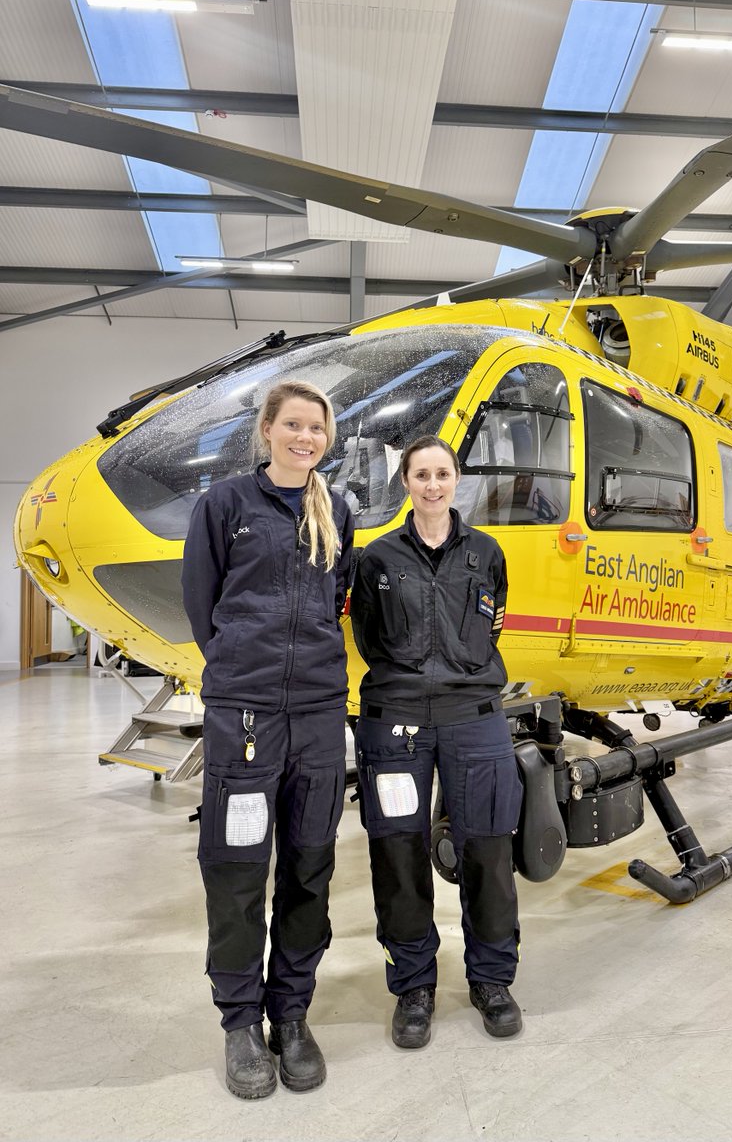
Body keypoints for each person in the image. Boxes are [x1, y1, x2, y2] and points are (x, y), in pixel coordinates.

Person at [182, 381, 354, 1100]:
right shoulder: (224, 506)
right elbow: (202, 601)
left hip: (317, 712)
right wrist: (239, 670)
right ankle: (239, 1023)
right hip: (245, 716)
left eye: (315, 428)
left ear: (326, 436)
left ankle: (291, 1013)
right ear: (267, 430)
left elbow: (335, 598)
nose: (303, 437)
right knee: (236, 868)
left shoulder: (337, 509)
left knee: (310, 868)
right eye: (292, 425)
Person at [350, 435, 523, 1050]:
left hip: (474, 716)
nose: (432, 485)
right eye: (420, 474)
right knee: (398, 854)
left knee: (487, 850)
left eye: (442, 474)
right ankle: (414, 986)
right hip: (394, 718)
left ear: (456, 481)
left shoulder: (486, 553)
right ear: (405, 482)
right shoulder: (376, 559)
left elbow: (493, 619)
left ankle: (492, 980)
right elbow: (370, 639)